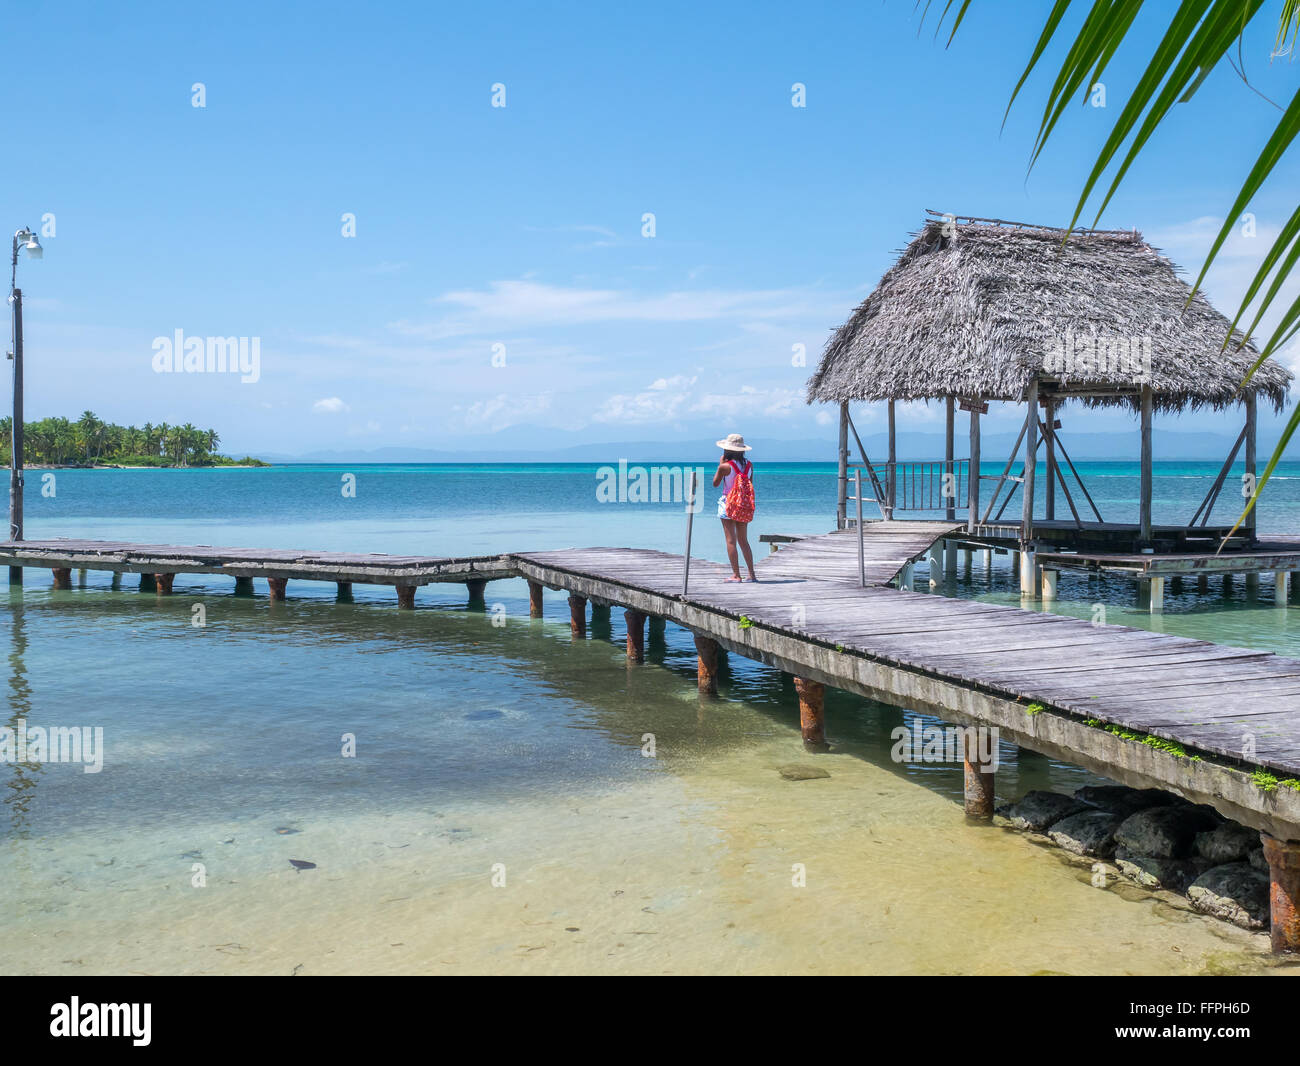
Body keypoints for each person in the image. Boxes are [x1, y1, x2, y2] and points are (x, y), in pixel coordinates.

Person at [712, 433, 757, 582]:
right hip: (743, 505)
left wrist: (720, 465)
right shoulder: (749, 465)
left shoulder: (725, 466)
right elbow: (749, 484)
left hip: (728, 505)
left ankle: (736, 575)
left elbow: (715, 483)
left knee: (731, 541)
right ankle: (751, 574)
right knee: (743, 541)